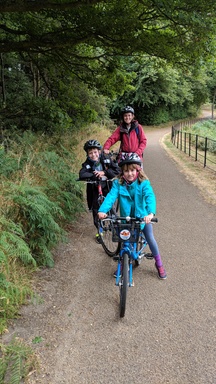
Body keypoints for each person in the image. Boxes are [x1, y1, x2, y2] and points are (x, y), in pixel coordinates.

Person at [98, 152, 167, 279]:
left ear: (138, 169)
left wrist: (150, 213)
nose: (129, 174)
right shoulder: (118, 184)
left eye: (132, 170)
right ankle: (123, 264)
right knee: (125, 242)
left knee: (150, 238)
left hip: (142, 217)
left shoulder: (143, 183)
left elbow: (150, 197)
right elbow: (111, 197)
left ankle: (159, 263)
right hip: (126, 219)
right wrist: (102, 210)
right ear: (122, 172)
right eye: (126, 171)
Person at [79, 139, 120, 243]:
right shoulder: (87, 164)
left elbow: (117, 170)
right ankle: (100, 231)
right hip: (95, 189)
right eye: (90, 153)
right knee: (96, 210)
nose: (93, 155)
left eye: (95, 152)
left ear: (99, 151)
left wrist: (104, 173)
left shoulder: (106, 159)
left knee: (110, 207)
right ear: (87, 154)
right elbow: (82, 174)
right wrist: (94, 175)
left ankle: (114, 227)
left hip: (107, 187)